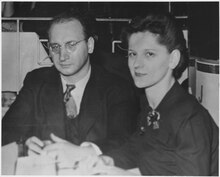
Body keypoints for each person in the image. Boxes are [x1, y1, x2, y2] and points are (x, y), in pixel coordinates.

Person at [78, 12, 219, 175]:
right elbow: (138, 147)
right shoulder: (149, 104)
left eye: (149, 54)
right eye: (133, 54)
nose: (137, 64)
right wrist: (101, 160)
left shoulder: (189, 120)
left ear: (173, 59)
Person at [2, 8, 139, 161]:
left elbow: (124, 140)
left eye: (71, 44)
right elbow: (7, 130)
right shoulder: (36, 81)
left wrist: (87, 152)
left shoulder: (117, 87)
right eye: (55, 47)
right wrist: (24, 144)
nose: (62, 55)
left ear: (90, 45)